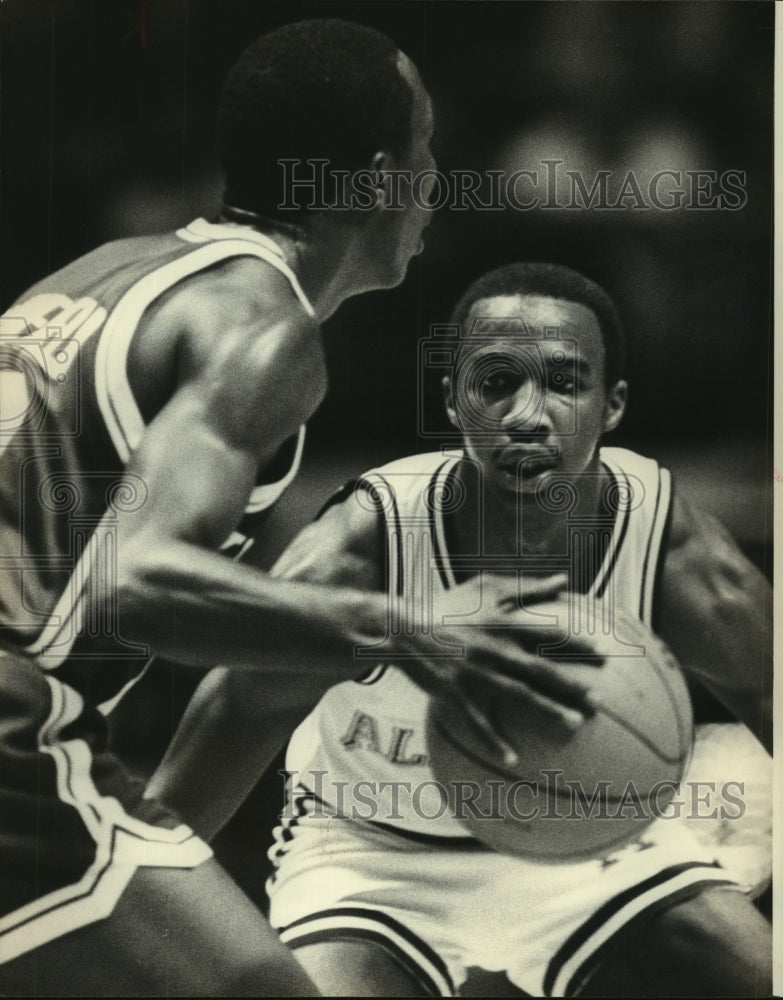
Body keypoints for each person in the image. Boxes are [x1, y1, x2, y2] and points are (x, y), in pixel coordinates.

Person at [0, 23, 596, 995]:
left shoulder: (112, 272)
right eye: (424, 146)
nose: (437, 177)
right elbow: (138, 581)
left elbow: (249, 678)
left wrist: (161, 855)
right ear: (368, 183)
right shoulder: (264, 331)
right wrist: (417, 630)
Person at [152, 263, 772, 997]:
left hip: (598, 846)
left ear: (612, 405)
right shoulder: (367, 545)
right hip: (371, 857)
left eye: (564, 384)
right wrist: (126, 911)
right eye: (495, 384)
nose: (525, 416)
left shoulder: (670, 549)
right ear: (453, 399)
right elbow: (235, 717)